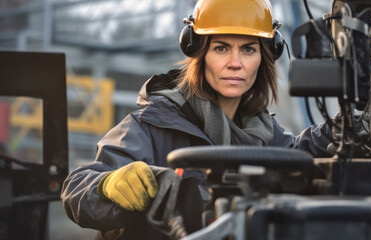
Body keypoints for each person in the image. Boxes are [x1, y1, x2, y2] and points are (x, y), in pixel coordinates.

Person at [61, 0, 332, 239]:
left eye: (248, 49)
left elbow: (298, 157)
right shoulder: (154, 122)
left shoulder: (264, 133)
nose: (235, 63)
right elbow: (76, 187)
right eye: (222, 48)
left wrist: (344, 127)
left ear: (266, 56)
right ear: (199, 54)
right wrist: (106, 186)